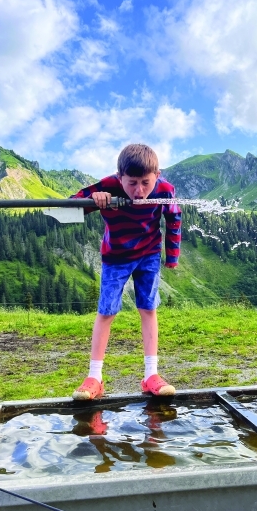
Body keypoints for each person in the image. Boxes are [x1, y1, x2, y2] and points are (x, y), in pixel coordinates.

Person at [71, 143, 181, 400]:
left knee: (148, 308)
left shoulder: (165, 189)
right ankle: (94, 378)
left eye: (145, 182)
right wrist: (94, 201)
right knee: (106, 311)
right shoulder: (107, 185)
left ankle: (151, 375)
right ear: (120, 177)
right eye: (131, 183)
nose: (139, 191)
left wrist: (172, 258)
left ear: (157, 175)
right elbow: (73, 203)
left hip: (149, 255)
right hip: (116, 257)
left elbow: (174, 219)